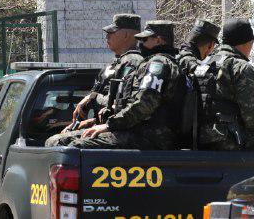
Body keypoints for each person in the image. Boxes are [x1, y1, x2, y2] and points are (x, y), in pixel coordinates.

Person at [71, 21, 185, 150]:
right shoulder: (169, 61)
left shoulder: (158, 63)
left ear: (158, 40)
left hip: (150, 136)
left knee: (74, 146)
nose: (140, 44)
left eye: (144, 39)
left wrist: (109, 125)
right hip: (146, 133)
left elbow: (144, 104)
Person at [45, 13, 143, 147]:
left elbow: (123, 105)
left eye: (112, 32)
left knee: (60, 144)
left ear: (126, 35)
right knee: (58, 139)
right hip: (109, 126)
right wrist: (84, 123)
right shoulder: (114, 65)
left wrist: (94, 97)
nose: (107, 36)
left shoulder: (134, 63)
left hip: (122, 130)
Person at [195, 18, 254, 151]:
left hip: (201, 138)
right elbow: (252, 119)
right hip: (230, 139)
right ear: (246, 42)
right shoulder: (240, 67)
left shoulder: (205, 63)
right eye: (252, 42)